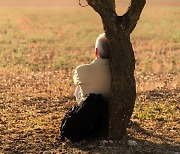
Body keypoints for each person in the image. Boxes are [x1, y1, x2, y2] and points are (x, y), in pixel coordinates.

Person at [73, 33, 111, 105]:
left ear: (96, 52)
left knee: (78, 88)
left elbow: (75, 82)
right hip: (111, 110)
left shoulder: (81, 70)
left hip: (89, 111)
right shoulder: (119, 72)